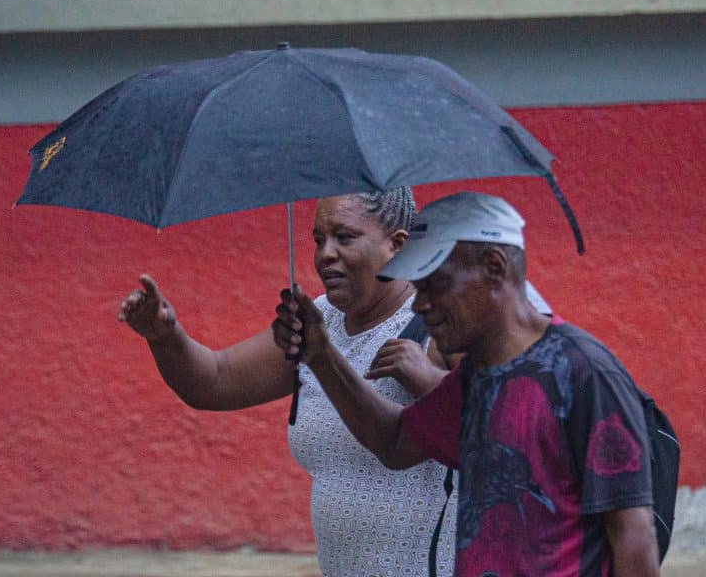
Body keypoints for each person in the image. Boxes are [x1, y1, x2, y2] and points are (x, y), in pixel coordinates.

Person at [273, 192, 660, 577]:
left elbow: (631, 531)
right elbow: (393, 443)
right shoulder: (476, 377)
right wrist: (322, 356)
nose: (420, 305)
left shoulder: (584, 373)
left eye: (435, 285)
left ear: (494, 267)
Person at [118, 188, 460, 576]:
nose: (325, 254)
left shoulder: (436, 323)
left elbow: (491, 429)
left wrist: (431, 381)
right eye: (318, 240)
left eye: (344, 237)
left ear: (397, 246)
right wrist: (165, 336)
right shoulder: (318, 322)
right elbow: (216, 379)